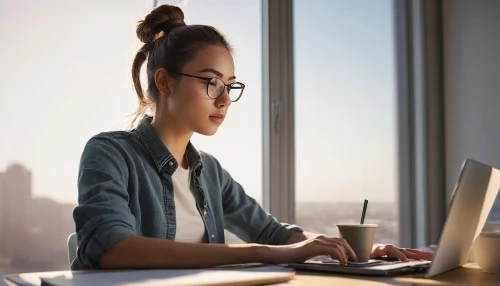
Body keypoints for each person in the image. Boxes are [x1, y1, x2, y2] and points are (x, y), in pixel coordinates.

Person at [72, 4, 433, 270]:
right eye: (212, 82)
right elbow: (114, 250)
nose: (225, 99)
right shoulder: (109, 153)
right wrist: (264, 253)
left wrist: (353, 250)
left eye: (230, 86)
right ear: (166, 82)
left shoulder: (208, 172)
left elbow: (273, 233)